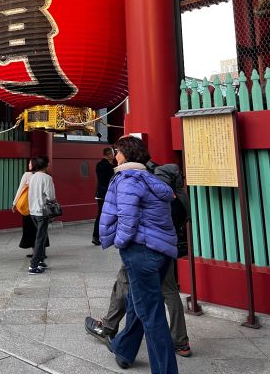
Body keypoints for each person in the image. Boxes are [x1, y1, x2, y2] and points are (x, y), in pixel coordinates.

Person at [85, 158, 192, 357]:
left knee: (124, 284)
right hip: (167, 246)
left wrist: (121, 241)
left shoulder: (149, 187)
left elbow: (129, 216)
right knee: (169, 292)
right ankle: (180, 341)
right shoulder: (175, 192)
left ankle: (109, 328)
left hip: (143, 247)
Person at [99, 136, 179, 373]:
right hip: (162, 250)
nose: (115, 154)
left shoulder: (126, 179)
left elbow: (127, 217)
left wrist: (121, 242)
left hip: (140, 251)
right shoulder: (149, 178)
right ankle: (124, 349)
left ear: (126, 153)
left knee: (152, 315)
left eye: (118, 150)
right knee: (137, 302)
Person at [12, 159, 49, 257]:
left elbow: (20, 189)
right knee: (41, 229)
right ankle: (42, 252)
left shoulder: (27, 175)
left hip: (29, 207)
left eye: (30, 163)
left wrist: (14, 202)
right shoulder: (45, 176)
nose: (28, 164)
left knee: (30, 229)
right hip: (42, 207)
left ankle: (35, 252)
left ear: (34, 164)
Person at [28, 156, 56, 274]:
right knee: (40, 238)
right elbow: (51, 196)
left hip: (32, 211)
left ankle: (40, 261)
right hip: (42, 211)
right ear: (46, 165)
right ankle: (33, 266)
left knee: (41, 236)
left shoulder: (32, 177)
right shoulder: (47, 178)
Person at [92, 147, 116, 245]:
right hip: (108, 193)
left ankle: (95, 236)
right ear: (110, 154)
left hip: (100, 193)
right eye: (113, 154)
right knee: (112, 214)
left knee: (100, 215)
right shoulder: (109, 167)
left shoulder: (99, 164)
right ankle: (110, 235)